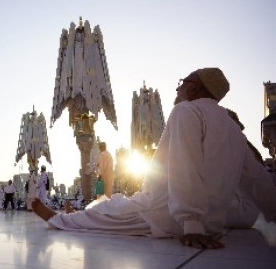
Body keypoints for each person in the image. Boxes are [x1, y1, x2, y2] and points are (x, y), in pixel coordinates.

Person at [32, 67, 276, 249]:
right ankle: (68, 216)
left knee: (108, 209)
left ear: (194, 88)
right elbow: (256, 178)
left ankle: (60, 219)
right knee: (113, 204)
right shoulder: (233, 128)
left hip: (166, 212)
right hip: (212, 221)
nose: (178, 88)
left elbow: (185, 164)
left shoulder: (187, 111)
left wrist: (191, 222)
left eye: (182, 83)